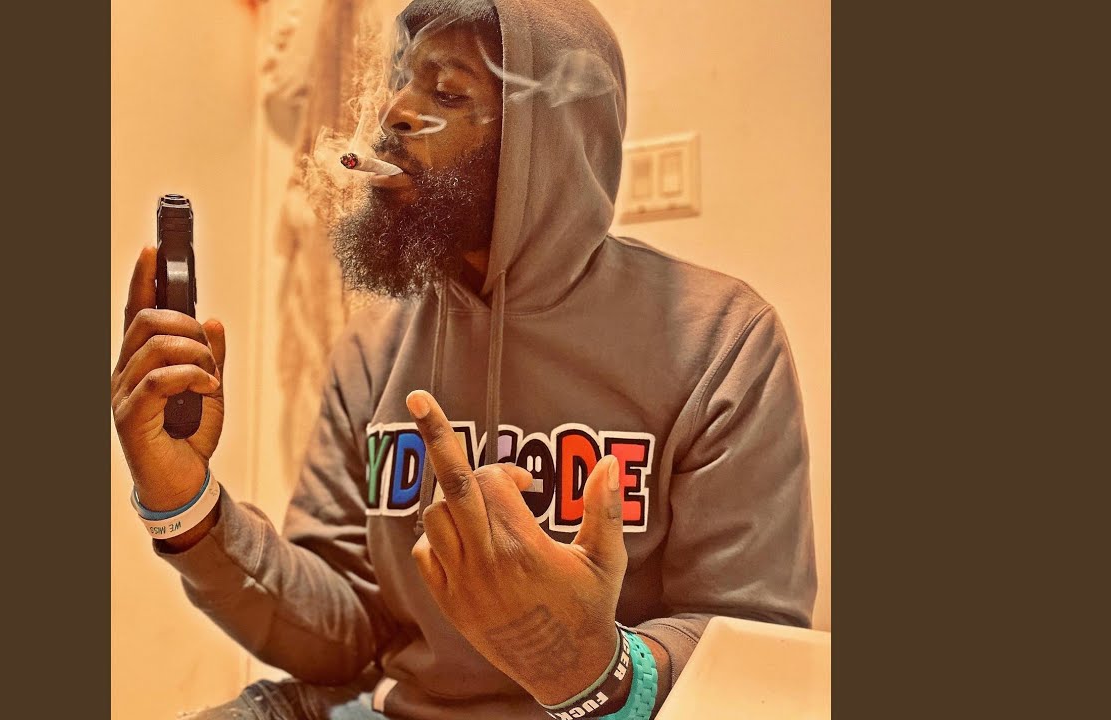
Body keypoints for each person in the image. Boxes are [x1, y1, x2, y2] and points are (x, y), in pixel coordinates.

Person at [110, 0, 817, 717]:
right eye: (403, 81)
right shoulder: (374, 348)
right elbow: (347, 634)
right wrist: (186, 507)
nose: (394, 113)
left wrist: (594, 669)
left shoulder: (719, 340)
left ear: (546, 139)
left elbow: (749, 651)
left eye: (446, 93)